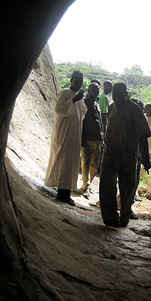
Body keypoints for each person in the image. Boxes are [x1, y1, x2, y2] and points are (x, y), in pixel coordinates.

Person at [99, 83, 151, 227]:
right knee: (106, 184)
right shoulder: (111, 107)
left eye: (118, 94)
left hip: (128, 153)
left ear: (126, 94)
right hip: (110, 151)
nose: (115, 97)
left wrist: (146, 159)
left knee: (127, 188)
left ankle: (124, 217)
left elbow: (143, 136)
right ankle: (110, 217)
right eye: (114, 94)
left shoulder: (134, 110)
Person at [45, 70, 87, 205]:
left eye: (81, 81)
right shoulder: (65, 93)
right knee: (64, 163)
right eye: (77, 80)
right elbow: (59, 110)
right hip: (64, 135)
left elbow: (83, 112)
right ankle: (62, 194)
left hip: (74, 136)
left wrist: (78, 99)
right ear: (71, 80)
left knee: (71, 164)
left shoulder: (78, 97)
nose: (79, 83)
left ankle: (67, 193)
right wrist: (74, 100)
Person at [80, 82, 103, 198]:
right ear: (89, 90)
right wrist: (82, 137)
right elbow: (81, 120)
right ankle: (85, 185)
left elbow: (99, 120)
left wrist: (101, 135)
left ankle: (88, 184)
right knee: (86, 162)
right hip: (87, 137)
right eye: (94, 90)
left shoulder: (96, 103)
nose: (96, 92)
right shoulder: (84, 102)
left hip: (97, 138)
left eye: (97, 90)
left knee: (95, 164)